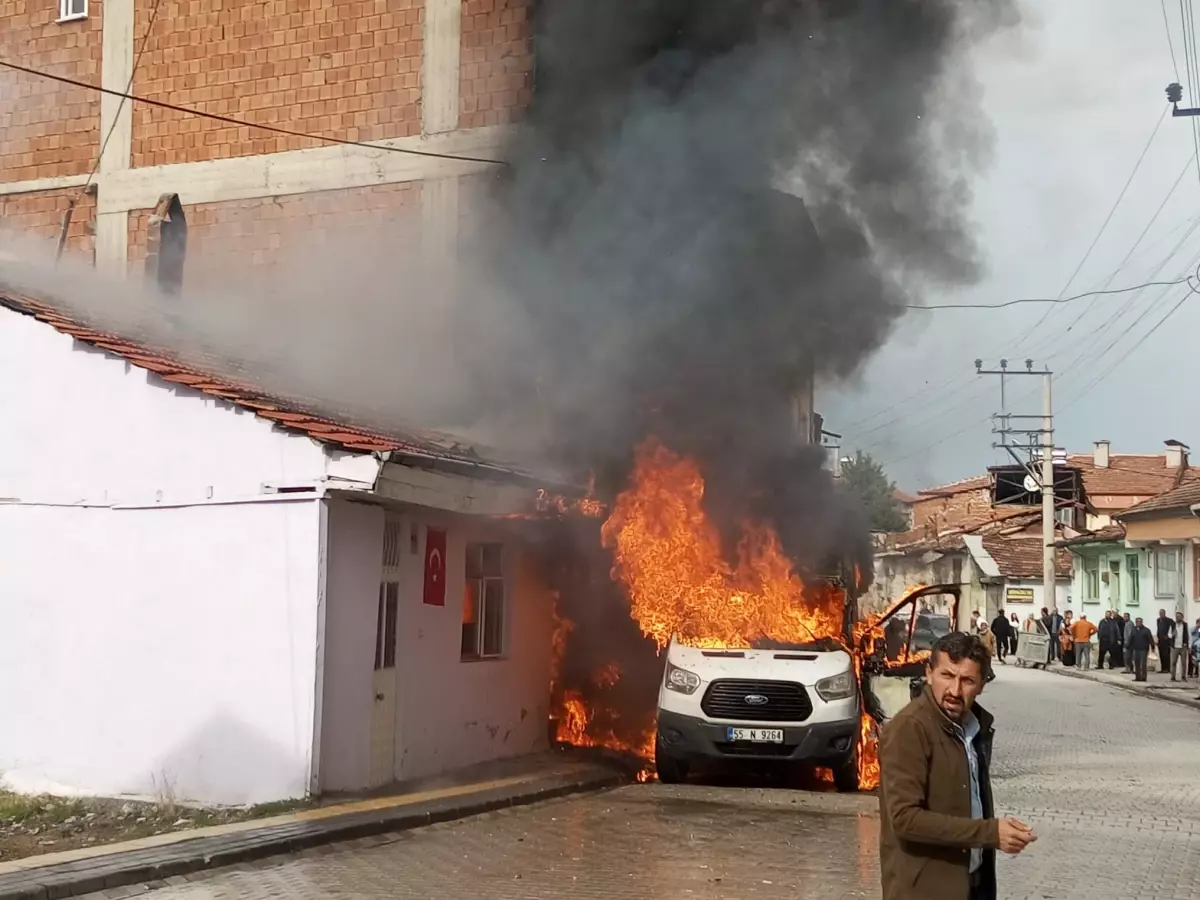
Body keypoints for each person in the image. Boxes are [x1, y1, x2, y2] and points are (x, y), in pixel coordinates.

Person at [879, 632, 1036, 900]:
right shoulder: (910, 729)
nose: (954, 691)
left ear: (982, 685)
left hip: (972, 886)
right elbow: (904, 819)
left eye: (967, 680)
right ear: (929, 674)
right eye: (947, 676)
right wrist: (990, 832)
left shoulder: (972, 728)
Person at [1129, 616, 1155, 682]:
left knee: (1143, 664)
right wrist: (1128, 646)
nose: (1138, 623)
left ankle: (1143, 677)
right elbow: (1131, 639)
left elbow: (1150, 639)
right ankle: (1138, 677)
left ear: (1142, 622)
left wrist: (1152, 647)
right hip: (1136, 648)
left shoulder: (1146, 630)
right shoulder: (1133, 629)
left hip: (1144, 649)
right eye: (1137, 622)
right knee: (1137, 663)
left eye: (1140, 622)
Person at [1168, 611, 1190, 683]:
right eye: (1177, 617)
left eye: (1179, 616)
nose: (1178, 618)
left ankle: (1183, 677)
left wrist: (1188, 645)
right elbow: (1169, 634)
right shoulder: (1172, 625)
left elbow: (1189, 636)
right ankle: (1173, 677)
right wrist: (1172, 635)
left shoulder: (1186, 625)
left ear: (1182, 617)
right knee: (1173, 662)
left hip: (1183, 646)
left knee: (1184, 663)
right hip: (1174, 646)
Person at [1156, 609, 1173, 674]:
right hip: (1160, 640)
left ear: (1164, 613)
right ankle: (1163, 668)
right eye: (1160, 613)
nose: (1161, 614)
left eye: (1162, 613)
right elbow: (1158, 629)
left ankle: (1167, 668)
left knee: (1166, 655)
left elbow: (1173, 628)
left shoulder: (1169, 620)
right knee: (1161, 655)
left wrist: (1169, 636)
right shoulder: (1158, 620)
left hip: (1166, 641)